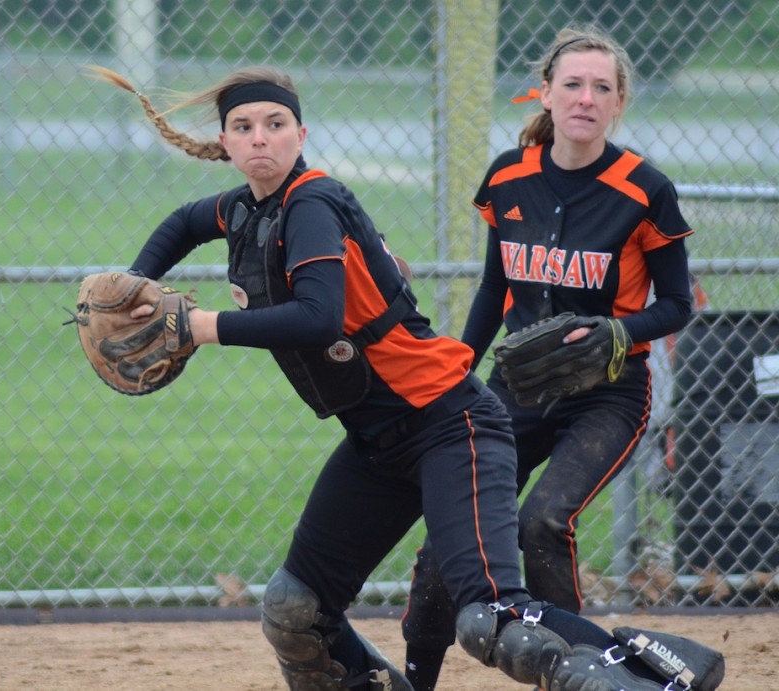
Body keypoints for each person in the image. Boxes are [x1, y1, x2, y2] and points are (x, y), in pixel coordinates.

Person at [89, 64, 711, 691]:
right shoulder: (244, 210)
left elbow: (317, 316)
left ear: (300, 136)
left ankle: (658, 676)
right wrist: (137, 288)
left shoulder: (310, 202)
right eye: (243, 127)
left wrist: (199, 326)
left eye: (275, 125)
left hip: (449, 426)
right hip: (377, 441)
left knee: (492, 621)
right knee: (294, 612)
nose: (259, 138)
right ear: (224, 142)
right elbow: (182, 223)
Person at [402, 25, 695, 690]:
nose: (585, 97)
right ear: (547, 93)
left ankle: (578, 675)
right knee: (454, 530)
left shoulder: (644, 188)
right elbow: (493, 287)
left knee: (542, 520)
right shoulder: (509, 175)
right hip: (518, 384)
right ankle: (416, 675)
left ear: (619, 101)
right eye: (572, 84)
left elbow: (676, 303)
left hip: (610, 391)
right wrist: (457, 375)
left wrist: (618, 331)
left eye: (602, 87)